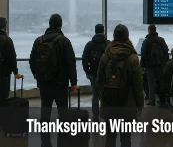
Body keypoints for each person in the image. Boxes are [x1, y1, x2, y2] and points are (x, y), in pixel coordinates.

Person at [29, 14, 77, 147]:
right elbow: (70, 63)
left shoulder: (39, 41)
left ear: (49, 24)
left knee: (45, 112)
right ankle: (62, 142)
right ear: (60, 25)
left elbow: (32, 61)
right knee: (63, 113)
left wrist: (38, 77)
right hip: (60, 85)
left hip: (44, 83)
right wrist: (73, 82)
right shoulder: (64, 41)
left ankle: (45, 142)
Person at [96, 24, 144, 147]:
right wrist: (140, 104)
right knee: (126, 138)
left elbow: (99, 80)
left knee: (110, 138)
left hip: (109, 104)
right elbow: (138, 85)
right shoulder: (133, 58)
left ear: (114, 37)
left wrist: (103, 97)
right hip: (127, 105)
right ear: (127, 37)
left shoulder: (106, 55)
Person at [81, 24, 111, 122]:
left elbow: (84, 59)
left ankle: (95, 115)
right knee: (105, 94)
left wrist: (87, 72)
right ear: (103, 31)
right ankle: (106, 114)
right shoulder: (108, 44)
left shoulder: (90, 44)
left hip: (93, 73)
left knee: (95, 94)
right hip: (106, 74)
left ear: (95, 31)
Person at [140, 24, 169, 106]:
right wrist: (164, 62)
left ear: (149, 30)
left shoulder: (146, 41)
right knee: (160, 82)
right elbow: (166, 51)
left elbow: (143, 54)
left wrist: (143, 65)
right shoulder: (161, 40)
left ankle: (152, 101)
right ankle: (162, 100)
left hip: (150, 66)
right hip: (160, 65)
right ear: (155, 30)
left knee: (151, 83)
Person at [0, 17, 22, 107]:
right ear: (5, 28)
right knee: (3, 98)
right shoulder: (7, 40)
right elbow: (12, 57)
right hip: (3, 75)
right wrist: (16, 73)